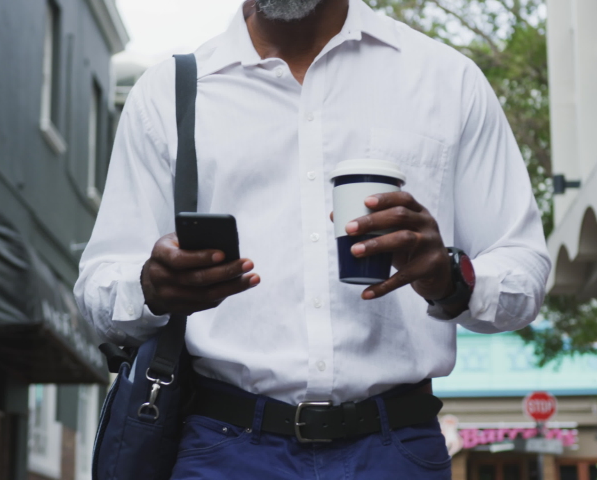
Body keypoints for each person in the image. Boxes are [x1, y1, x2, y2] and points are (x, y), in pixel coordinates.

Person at [74, 0, 551, 477]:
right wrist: (149, 288)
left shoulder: (445, 80)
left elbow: (522, 269)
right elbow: (100, 287)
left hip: (396, 449)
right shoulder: (169, 95)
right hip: (224, 449)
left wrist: (451, 277)